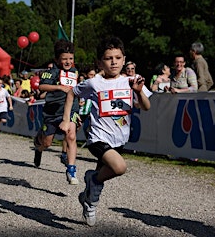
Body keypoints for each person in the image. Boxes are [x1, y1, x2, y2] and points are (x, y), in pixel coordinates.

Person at [60, 36, 151, 226]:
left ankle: (89, 202)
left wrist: (139, 91)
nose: (114, 62)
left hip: (119, 140)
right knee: (119, 167)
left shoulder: (131, 81)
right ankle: (91, 180)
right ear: (101, 61)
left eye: (118, 57)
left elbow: (146, 106)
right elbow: (71, 93)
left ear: (124, 59)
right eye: (109, 58)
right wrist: (66, 120)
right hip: (98, 138)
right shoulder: (94, 83)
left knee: (101, 176)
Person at [33, 39, 80, 185]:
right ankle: (38, 148)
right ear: (57, 59)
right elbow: (42, 87)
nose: (68, 62)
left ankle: (71, 170)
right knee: (47, 143)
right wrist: (59, 88)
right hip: (52, 112)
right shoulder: (51, 72)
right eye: (64, 59)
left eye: (71, 59)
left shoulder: (74, 71)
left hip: (70, 109)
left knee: (71, 135)